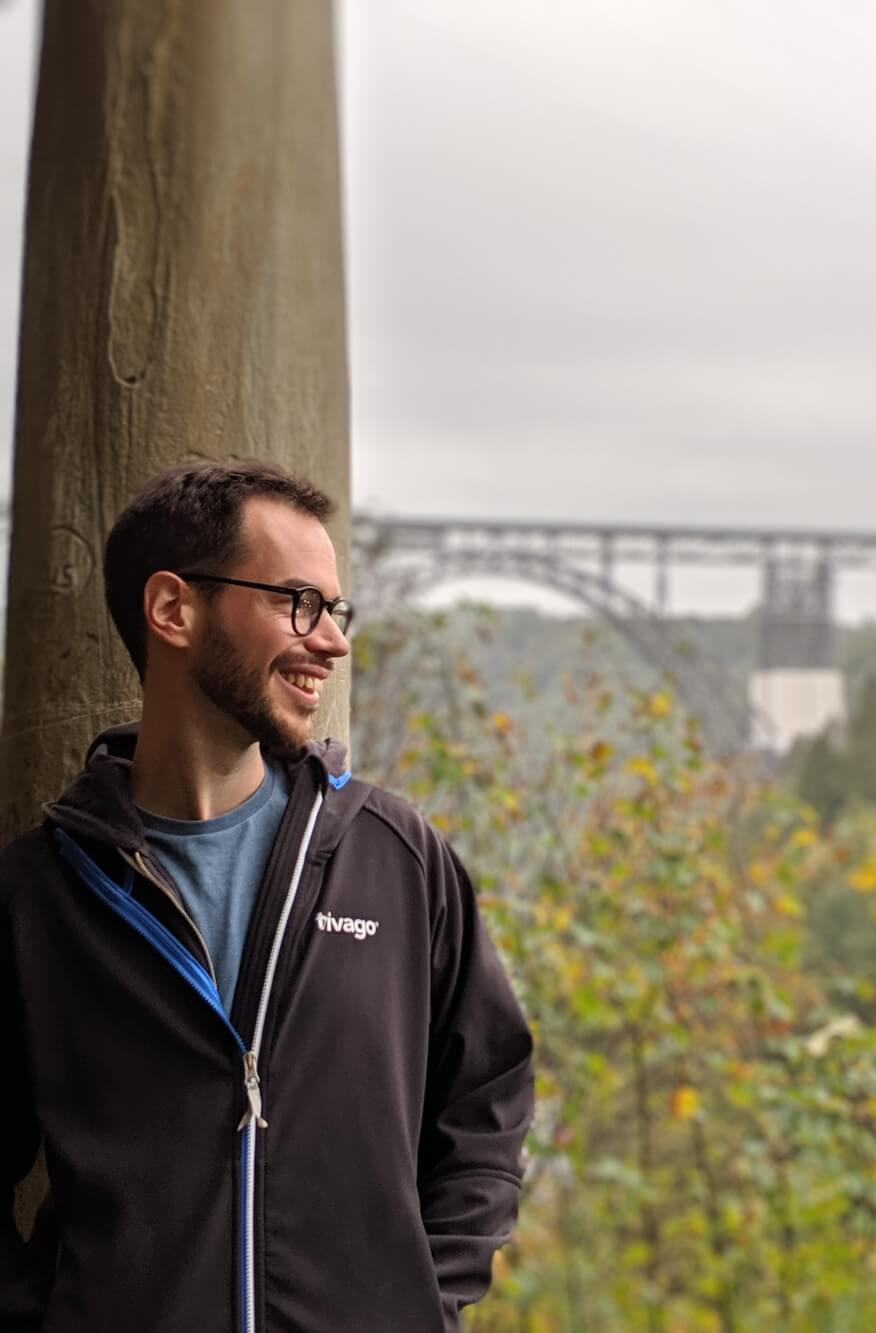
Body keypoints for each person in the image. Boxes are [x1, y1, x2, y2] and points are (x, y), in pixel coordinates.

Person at [0, 460, 534, 1333]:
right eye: (299, 602)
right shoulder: (40, 899)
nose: (333, 640)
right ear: (174, 609)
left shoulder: (395, 860)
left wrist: (421, 1300)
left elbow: (489, 1092)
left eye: (336, 608)